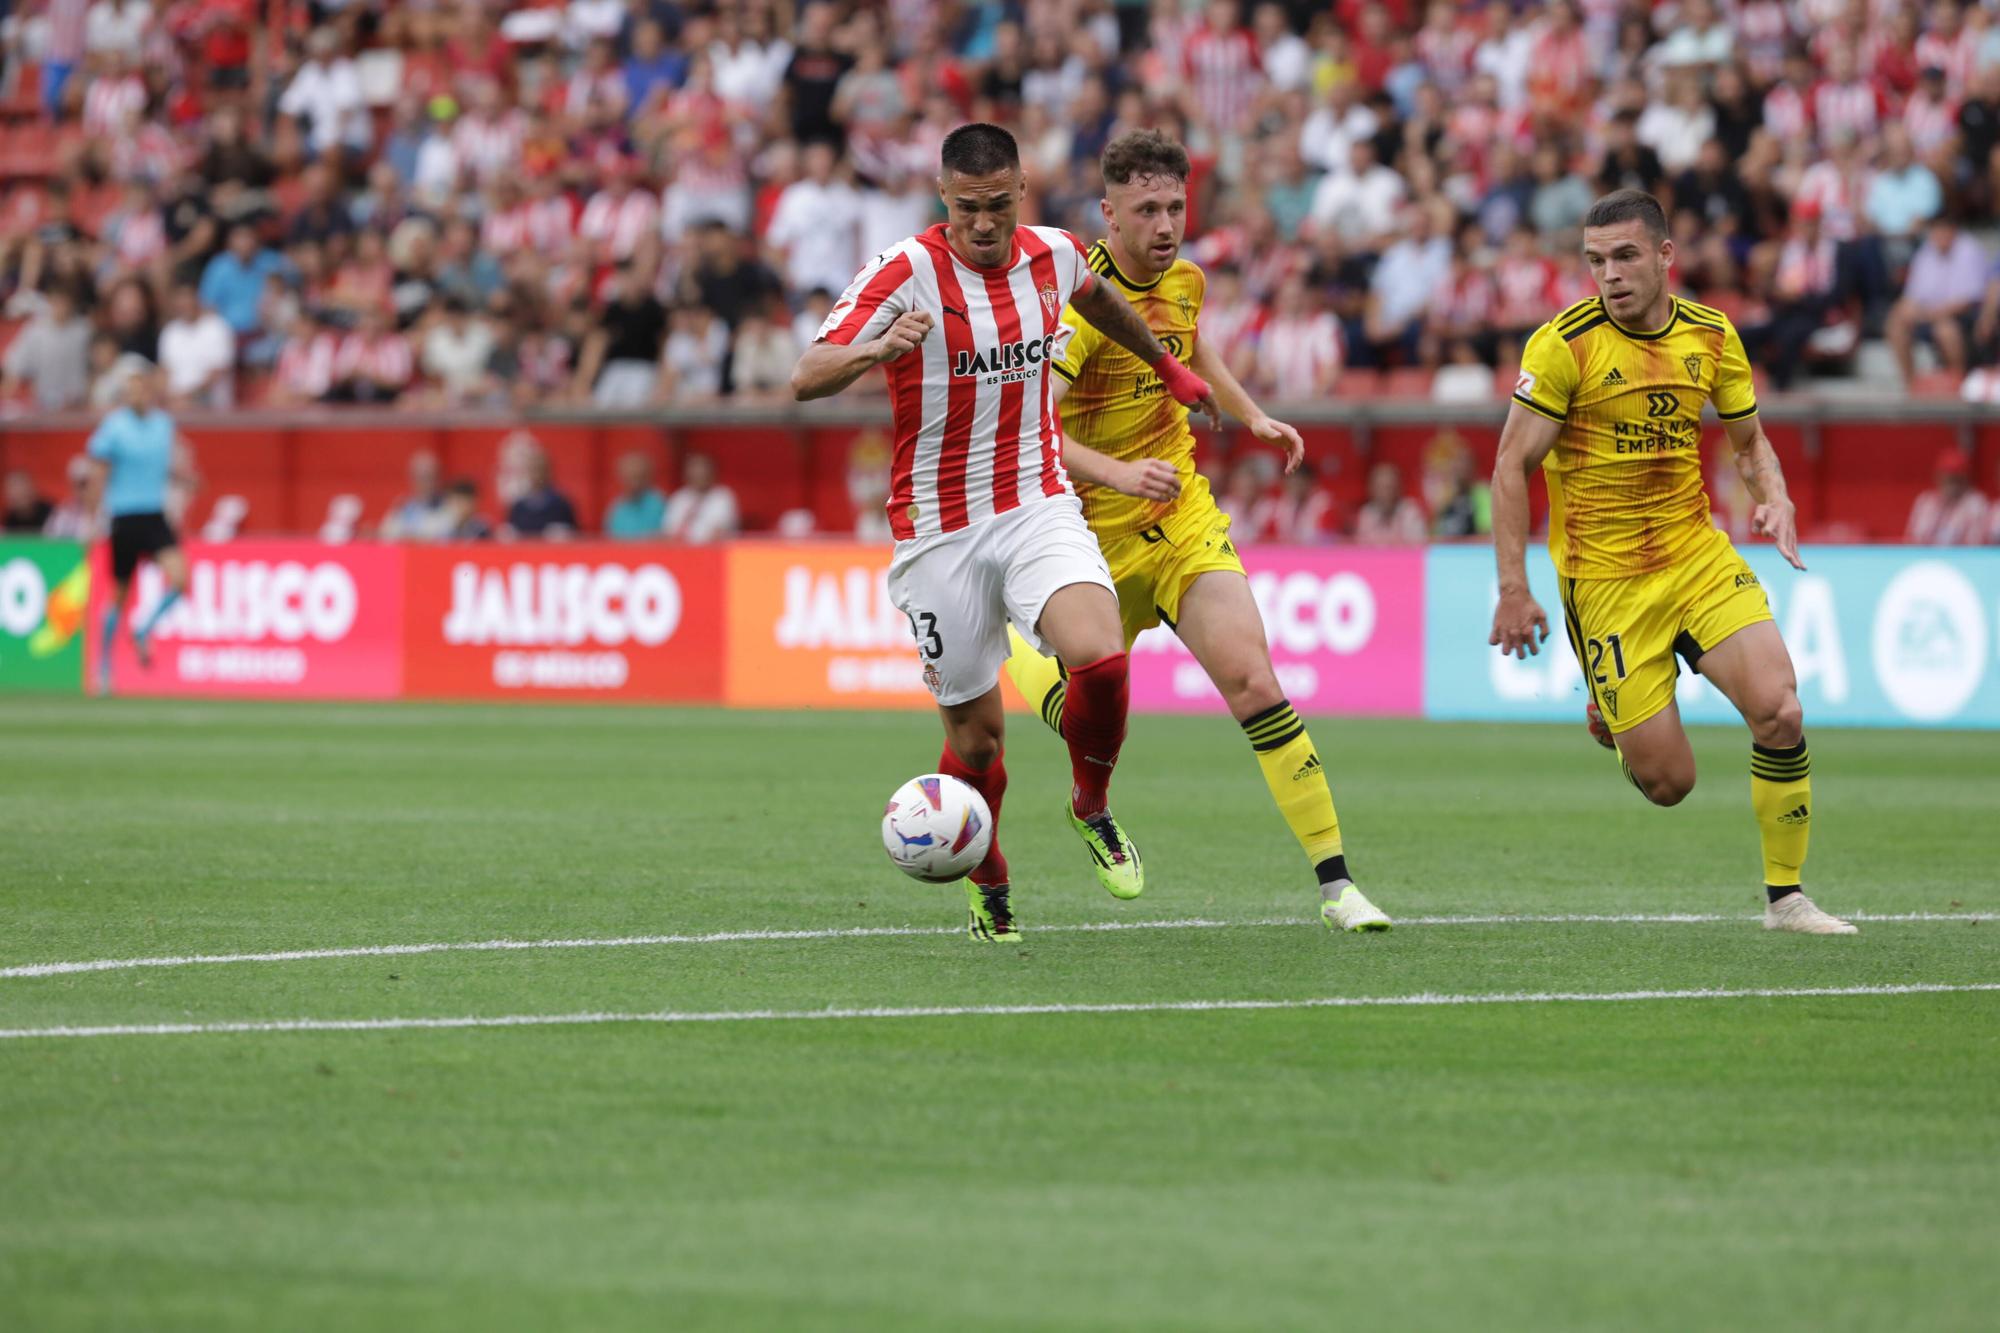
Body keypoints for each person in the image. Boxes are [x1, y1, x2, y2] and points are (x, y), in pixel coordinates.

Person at [791, 123, 1221, 942]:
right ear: (943, 199)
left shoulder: (1054, 255)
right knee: (978, 742)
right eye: (965, 209)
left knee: (1100, 656)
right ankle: (987, 875)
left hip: (1035, 500)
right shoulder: (906, 270)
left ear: (1021, 191)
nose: (982, 225)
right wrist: (879, 346)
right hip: (938, 533)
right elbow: (805, 375)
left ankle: (1089, 803)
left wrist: (1171, 370)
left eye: (996, 206)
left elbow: (1103, 301)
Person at [1001, 130, 1390, 933]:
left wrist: (1252, 414)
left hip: (1179, 519)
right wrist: (1115, 472)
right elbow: (1031, 427)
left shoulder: (1185, 280)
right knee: (1095, 706)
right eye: (1146, 209)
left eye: (1176, 205)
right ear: (1107, 215)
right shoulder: (1076, 307)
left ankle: (1338, 886)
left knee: (1255, 681)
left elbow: (1192, 341)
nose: (1166, 223)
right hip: (1087, 534)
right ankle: (1037, 689)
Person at [1490, 189, 1855, 934]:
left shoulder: (1713, 335)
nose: (1609, 276)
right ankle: (1615, 720)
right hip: (1607, 581)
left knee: (1780, 710)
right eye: (1595, 261)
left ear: (1665, 257)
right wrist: (1513, 589)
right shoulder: (1563, 345)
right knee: (1668, 783)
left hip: (1694, 555)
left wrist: (1776, 498)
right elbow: (1508, 467)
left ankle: (1786, 898)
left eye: (1625, 256)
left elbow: (1749, 443)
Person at [86, 363, 191, 693]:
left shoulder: (163, 425)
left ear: (150, 392)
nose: (135, 395)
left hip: (154, 514)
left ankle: (144, 628)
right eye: (130, 390)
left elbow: (169, 465)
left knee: (180, 578)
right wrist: (91, 519)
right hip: (125, 515)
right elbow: (99, 474)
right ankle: (103, 666)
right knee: (118, 594)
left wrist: (186, 477)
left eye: (140, 389)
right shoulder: (114, 427)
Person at [1905, 450, 1990, 544]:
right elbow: (1912, 540)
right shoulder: (1925, 501)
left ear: (1966, 479)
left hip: (1962, 557)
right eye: (1948, 478)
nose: (1952, 485)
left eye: (1956, 479)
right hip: (1926, 557)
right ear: (1938, 476)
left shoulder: (1975, 503)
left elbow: (1975, 544)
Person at [660, 452, 738, 543]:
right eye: (694, 471)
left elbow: (717, 535)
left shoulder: (723, 497)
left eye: (702, 471)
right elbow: (667, 532)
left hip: (712, 552)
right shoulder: (679, 497)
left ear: (712, 473)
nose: (698, 475)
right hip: (678, 551)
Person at [504, 446, 578, 539]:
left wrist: (565, 534)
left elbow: (577, 537)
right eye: (533, 469)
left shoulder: (561, 505)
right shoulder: (518, 507)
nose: (536, 474)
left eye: (540, 469)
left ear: (548, 471)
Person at [381, 451, 450, 541]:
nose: (423, 483)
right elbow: (386, 535)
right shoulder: (402, 506)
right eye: (419, 477)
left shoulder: (449, 507)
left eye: (428, 477)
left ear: (438, 478)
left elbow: (444, 536)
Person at [605, 452, 668, 539]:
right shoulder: (616, 507)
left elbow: (665, 537)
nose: (634, 483)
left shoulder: (660, 504)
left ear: (649, 477)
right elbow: (610, 537)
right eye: (629, 478)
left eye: (638, 477)